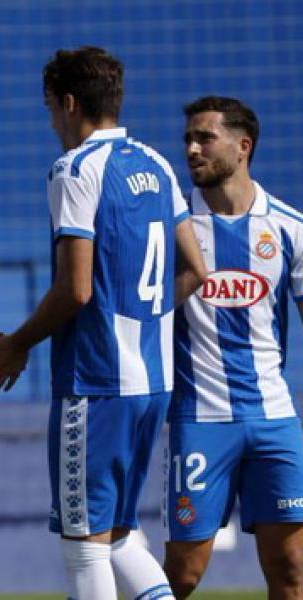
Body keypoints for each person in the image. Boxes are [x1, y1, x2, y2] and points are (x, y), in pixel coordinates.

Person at [0, 47, 207, 599]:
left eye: (52, 109)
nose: (53, 122)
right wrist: (140, 319)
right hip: (152, 381)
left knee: (83, 546)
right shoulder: (156, 164)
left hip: (96, 384)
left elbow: (74, 290)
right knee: (119, 537)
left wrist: (16, 344)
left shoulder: (75, 169)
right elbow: (196, 269)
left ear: (70, 103)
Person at [162, 96, 303, 597]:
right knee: (183, 572)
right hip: (200, 420)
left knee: (290, 568)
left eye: (205, 138)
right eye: (188, 139)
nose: (192, 149)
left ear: (243, 147)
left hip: (274, 420)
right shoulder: (169, 228)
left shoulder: (289, 229)